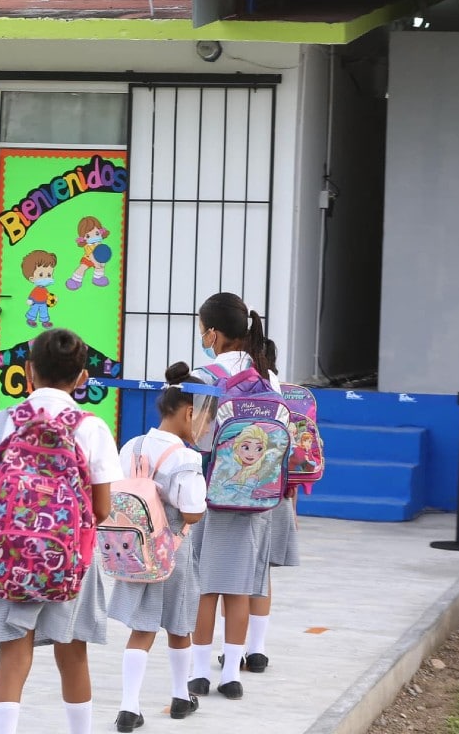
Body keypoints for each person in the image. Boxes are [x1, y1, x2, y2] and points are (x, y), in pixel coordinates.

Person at [0, 328, 122, 734]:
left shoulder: (1, 421)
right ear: (81, 379)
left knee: (13, 657)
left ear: (30, 370)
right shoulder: (92, 428)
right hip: (71, 559)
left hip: (9, 558)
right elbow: (102, 507)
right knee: (73, 655)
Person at [188, 291, 281, 700]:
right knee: (241, 587)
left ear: (213, 332)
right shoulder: (268, 374)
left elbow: (197, 437)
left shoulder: (204, 375)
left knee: (204, 586)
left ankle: (197, 672)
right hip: (256, 497)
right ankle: (232, 675)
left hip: (211, 494)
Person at [108, 362, 208, 732]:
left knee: (142, 629)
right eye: (204, 417)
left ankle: (128, 706)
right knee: (180, 626)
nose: (205, 426)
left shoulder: (131, 446)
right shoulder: (185, 457)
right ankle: (181, 694)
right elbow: (193, 513)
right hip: (173, 554)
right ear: (188, 412)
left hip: (134, 551)